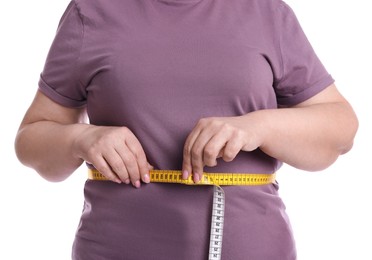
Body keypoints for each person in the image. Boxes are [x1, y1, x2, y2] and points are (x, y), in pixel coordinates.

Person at [15, 0, 358, 259]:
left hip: (252, 247)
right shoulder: (91, 12)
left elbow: (341, 129)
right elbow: (30, 138)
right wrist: (81, 138)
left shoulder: (265, 11)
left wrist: (260, 126)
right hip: (116, 248)